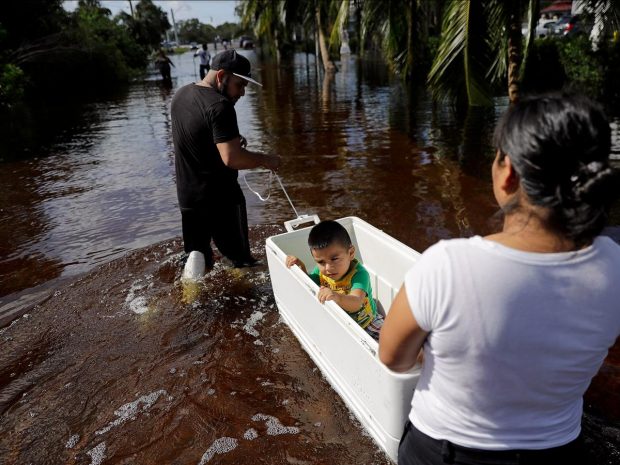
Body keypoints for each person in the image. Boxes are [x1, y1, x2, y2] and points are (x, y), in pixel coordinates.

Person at [378, 93, 620, 465]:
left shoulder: (447, 265)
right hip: (559, 452)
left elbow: (393, 357)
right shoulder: (614, 265)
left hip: (446, 451)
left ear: (508, 173)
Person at [171, 49, 280, 273]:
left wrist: (228, 139)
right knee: (241, 263)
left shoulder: (181, 95)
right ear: (222, 76)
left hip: (189, 197)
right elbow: (232, 158)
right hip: (221, 200)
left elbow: (195, 137)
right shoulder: (221, 106)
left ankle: (189, 300)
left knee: (198, 256)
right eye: (239, 85)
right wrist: (266, 160)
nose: (241, 93)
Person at [286, 220, 384, 341]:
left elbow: (356, 303)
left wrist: (336, 297)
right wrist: (301, 269)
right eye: (321, 262)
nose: (328, 268)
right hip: (341, 323)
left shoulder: (359, 274)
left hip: (367, 322)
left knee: (393, 342)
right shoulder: (321, 272)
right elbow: (311, 285)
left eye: (335, 259)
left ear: (351, 253)